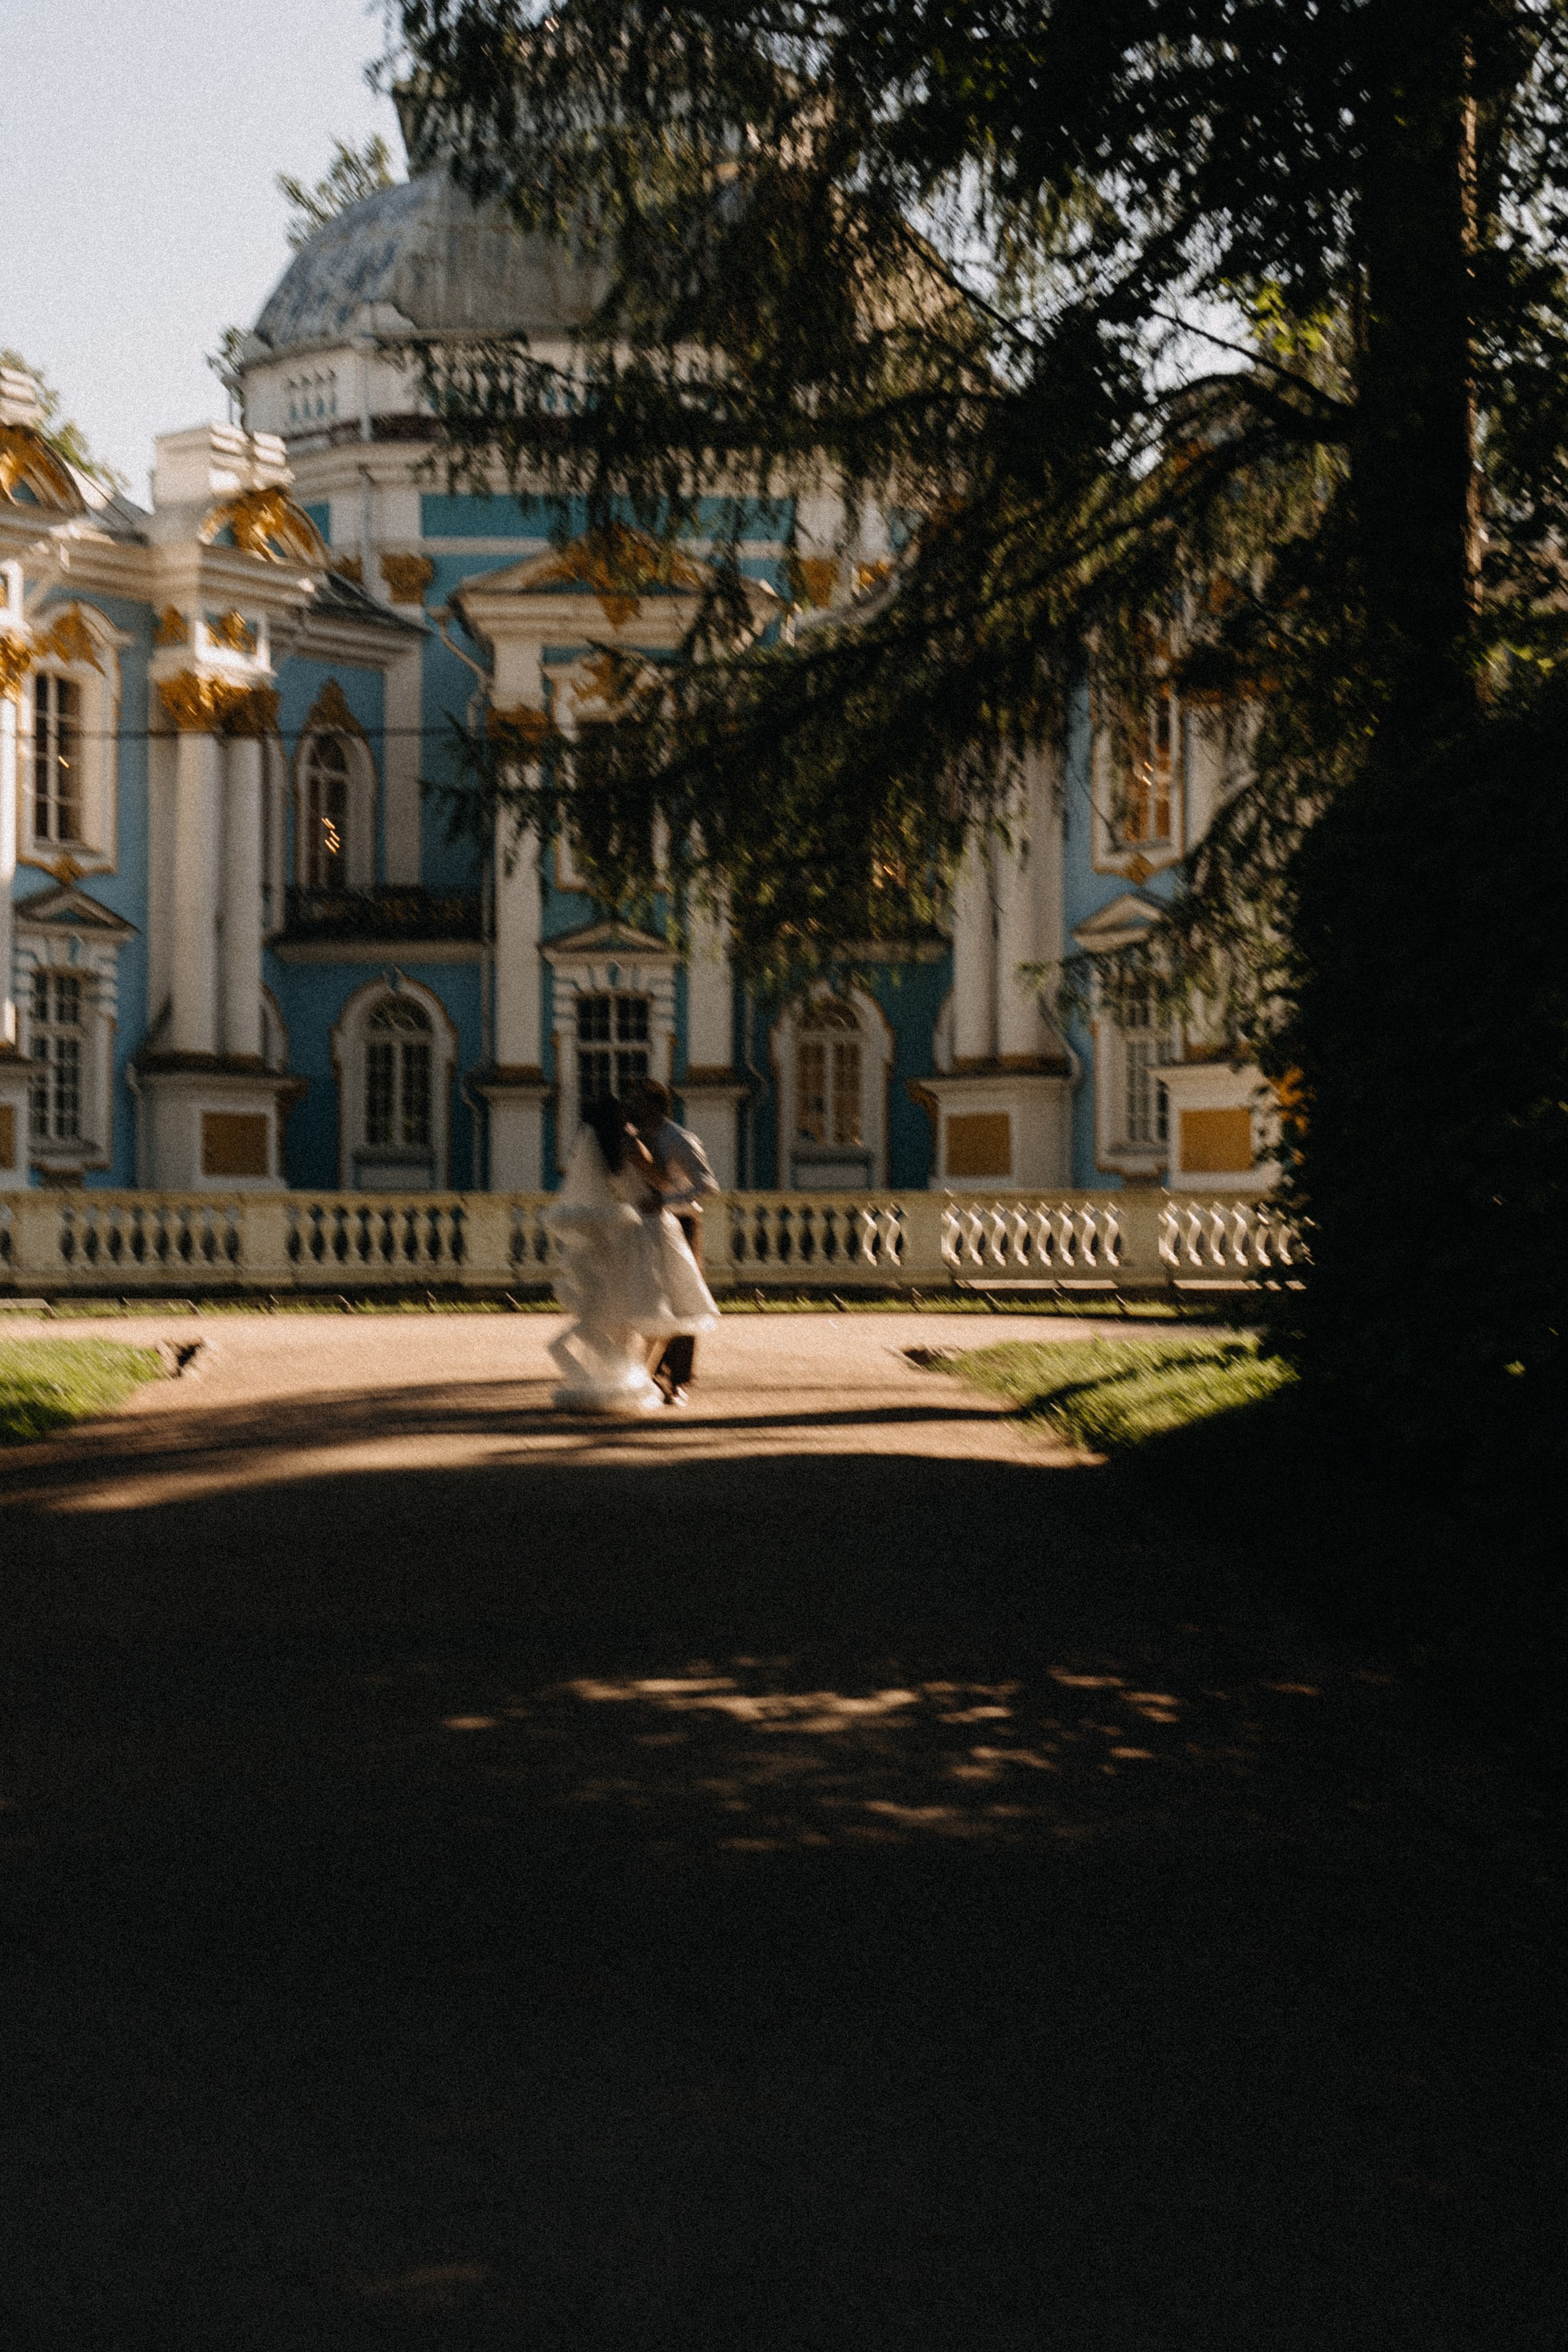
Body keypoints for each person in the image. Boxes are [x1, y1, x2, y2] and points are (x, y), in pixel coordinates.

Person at [541, 1094, 717, 1414]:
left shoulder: (600, 1153)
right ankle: (643, 1381)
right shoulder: (632, 1145)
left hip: (624, 1233)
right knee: (665, 1313)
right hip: (653, 1229)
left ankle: (635, 1379)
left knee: (630, 1312)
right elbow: (660, 1182)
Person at [628, 1079, 721, 1405]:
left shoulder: (679, 1139)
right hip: (645, 1227)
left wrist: (665, 1201)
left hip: (680, 1223)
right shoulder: (634, 1139)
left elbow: (707, 1186)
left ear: (654, 1106)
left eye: (636, 1102)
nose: (631, 1109)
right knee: (651, 1299)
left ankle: (678, 1380)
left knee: (683, 1299)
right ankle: (650, 1374)